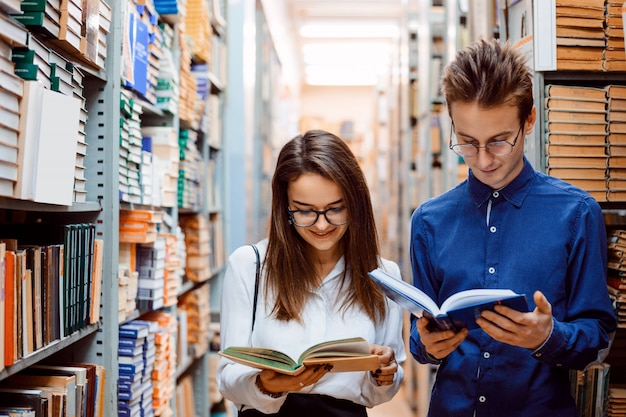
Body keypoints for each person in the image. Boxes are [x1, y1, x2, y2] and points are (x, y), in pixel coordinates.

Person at [409, 38, 617, 417]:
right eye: (467, 143)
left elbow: (597, 336)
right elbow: (419, 333)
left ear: (529, 120)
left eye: (500, 142)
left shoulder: (577, 214)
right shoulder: (428, 221)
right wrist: (424, 344)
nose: (484, 160)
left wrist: (549, 336)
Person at [217, 129, 405, 416]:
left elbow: (382, 388)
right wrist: (265, 385)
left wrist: (384, 375)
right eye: (305, 211)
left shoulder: (384, 276)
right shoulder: (249, 266)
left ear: (356, 204)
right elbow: (228, 378)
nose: (321, 225)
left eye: (335, 209)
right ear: (285, 208)